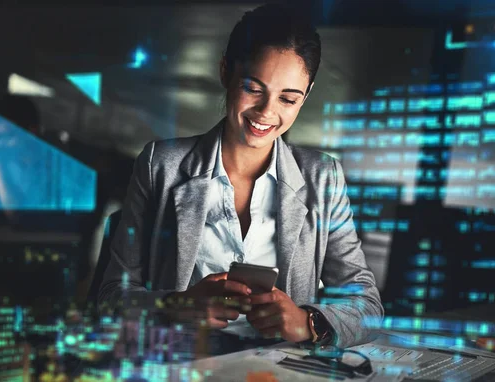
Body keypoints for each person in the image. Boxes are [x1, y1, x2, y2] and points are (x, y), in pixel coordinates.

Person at [98, 3, 383, 351]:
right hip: (180, 365)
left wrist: (308, 322)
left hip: (278, 371)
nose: (267, 112)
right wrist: (175, 307)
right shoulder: (161, 165)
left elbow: (367, 306)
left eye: (288, 99)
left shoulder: (323, 179)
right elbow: (111, 299)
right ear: (225, 71)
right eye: (253, 88)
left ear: (305, 97)